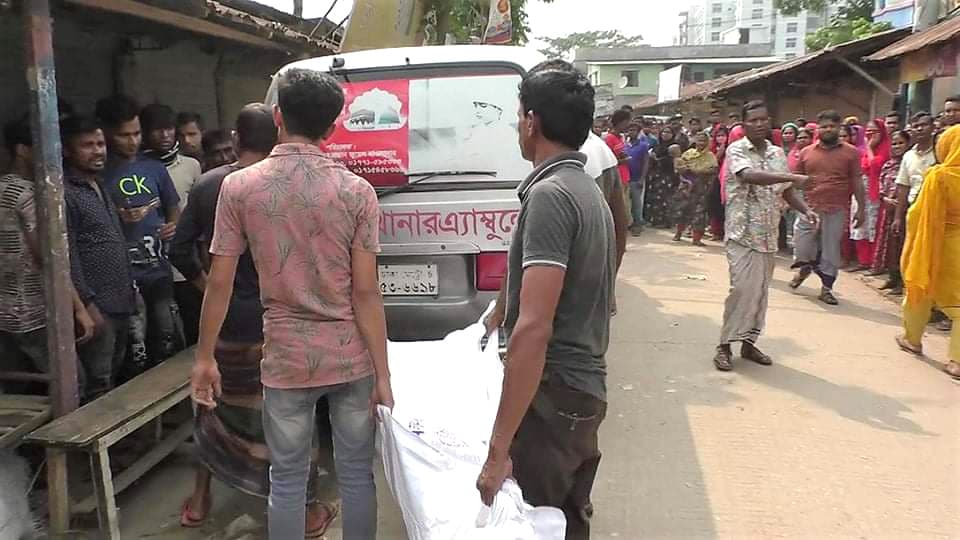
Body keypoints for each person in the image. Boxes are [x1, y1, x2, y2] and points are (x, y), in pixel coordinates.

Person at [190, 68, 392, 540]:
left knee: (286, 479)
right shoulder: (357, 192)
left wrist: (204, 359)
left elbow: (218, 283)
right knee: (358, 473)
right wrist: (382, 374)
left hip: (284, 360)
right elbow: (366, 292)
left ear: (278, 117)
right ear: (333, 127)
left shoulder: (238, 188)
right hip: (349, 357)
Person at [170, 103, 339, 535]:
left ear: (235, 138)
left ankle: (201, 498)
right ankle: (307, 511)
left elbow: (177, 249)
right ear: (280, 136)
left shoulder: (210, 185)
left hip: (229, 323)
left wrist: (207, 287)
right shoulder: (296, 186)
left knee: (212, 408)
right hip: (284, 321)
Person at [475, 60, 615, 539]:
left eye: (518, 116)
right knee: (566, 522)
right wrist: (499, 310)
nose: (517, 126)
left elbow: (534, 328)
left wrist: (497, 453)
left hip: (554, 397)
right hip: (580, 394)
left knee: (536, 521)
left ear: (532, 122)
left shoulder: (552, 196)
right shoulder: (585, 190)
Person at [713, 100, 815, 371]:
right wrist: (792, 176)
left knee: (759, 292)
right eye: (753, 120)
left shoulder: (776, 152)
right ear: (744, 124)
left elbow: (785, 190)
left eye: (763, 119)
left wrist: (805, 210)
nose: (759, 124)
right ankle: (724, 345)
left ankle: (749, 342)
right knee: (741, 289)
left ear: (769, 122)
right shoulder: (736, 150)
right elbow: (748, 175)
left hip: (768, 235)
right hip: (742, 233)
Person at [0, 115, 94, 385]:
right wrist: (78, 309)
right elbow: (47, 258)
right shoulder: (31, 194)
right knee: (74, 385)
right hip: (34, 313)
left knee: (20, 391)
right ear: (22, 150)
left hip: (5, 315)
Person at [96, 95, 184, 377]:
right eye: (124, 135)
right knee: (135, 347)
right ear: (107, 133)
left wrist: (173, 225)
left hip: (158, 270)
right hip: (122, 277)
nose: (132, 141)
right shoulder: (99, 174)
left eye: (136, 133)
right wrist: (117, 218)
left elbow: (173, 206)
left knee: (167, 336)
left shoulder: (154, 167)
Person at [62, 115, 137, 401]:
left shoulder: (99, 185)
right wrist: (86, 304)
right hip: (97, 306)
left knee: (117, 371)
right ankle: (92, 445)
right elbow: (68, 255)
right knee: (98, 380)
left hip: (120, 300)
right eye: (87, 145)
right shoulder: (65, 194)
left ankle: (117, 443)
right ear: (68, 151)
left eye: (100, 144)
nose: (97, 151)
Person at [896, 124, 960, 380]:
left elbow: (917, 213)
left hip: (937, 244)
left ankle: (912, 339)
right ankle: (956, 361)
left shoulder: (939, 176)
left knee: (919, 288)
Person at [140, 104, 204, 345]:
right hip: (151, 264)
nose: (165, 136)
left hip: (186, 261)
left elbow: (202, 216)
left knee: (192, 324)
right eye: (158, 130)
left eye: (169, 129)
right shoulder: (137, 170)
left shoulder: (192, 166)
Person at [791, 110, 866, 306]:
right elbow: (795, 178)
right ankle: (805, 268)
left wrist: (861, 208)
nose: (828, 129)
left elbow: (857, 180)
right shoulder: (807, 152)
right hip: (809, 207)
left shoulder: (851, 152)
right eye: (824, 126)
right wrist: (788, 199)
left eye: (833, 126)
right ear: (818, 129)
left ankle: (826, 289)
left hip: (836, 207)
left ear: (839, 127)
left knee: (831, 250)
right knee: (802, 244)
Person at [871, 129, 911, 294]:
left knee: (904, 246)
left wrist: (900, 203)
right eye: (894, 143)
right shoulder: (888, 164)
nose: (897, 146)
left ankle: (903, 281)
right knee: (891, 246)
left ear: (908, 144)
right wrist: (885, 199)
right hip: (888, 211)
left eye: (901, 143)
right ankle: (892, 277)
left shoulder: (909, 162)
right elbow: (881, 183)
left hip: (905, 210)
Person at [850, 118, 890, 271]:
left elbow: (875, 165)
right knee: (860, 224)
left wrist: (870, 147)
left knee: (873, 225)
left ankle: (874, 261)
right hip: (861, 191)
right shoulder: (864, 151)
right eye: (868, 131)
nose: (871, 134)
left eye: (875, 131)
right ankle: (863, 260)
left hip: (876, 191)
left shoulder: (885, 149)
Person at [671, 131, 718, 246]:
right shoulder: (688, 153)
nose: (701, 143)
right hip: (686, 187)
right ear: (695, 141)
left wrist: (700, 170)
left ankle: (696, 239)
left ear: (707, 142)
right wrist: (685, 170)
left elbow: (713, 170)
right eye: (699, 140)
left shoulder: (710, 156)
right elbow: (679, 168)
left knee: (699, 214)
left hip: (701, 187)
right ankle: (678, 233)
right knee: (682, 210)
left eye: (704, 140)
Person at [603, 109, 634, 228]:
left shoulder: (621, 137)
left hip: (625, 175)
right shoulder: (609, 139)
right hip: (616, 177)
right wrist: (622, 161)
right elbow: (608, 161)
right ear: (620, 122)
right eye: (626, 122)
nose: (628, 125)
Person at [644, 126, 679, 229]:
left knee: (665, 198)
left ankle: (665, 221)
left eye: (668, 132)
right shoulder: (657, 146)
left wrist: (658, 159)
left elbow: (674, 160)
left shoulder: (674, 146)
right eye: (663, 132)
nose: (665, 134)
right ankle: (654, 220)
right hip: (655, 175)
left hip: (667, 175)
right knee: (654, 198)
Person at [626, 122, 650, 235]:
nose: (632, 132)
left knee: (636, 203)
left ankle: (637, 225)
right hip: (625, 177)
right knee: (626, 203)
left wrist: (642, 178)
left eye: (634, 130)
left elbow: (646, 163)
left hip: (636, 178)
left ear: (638, 132)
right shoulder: (624, 144)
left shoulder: (643, 145)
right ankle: (629, 223)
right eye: (630, 130)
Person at [707, 125, 729, 241]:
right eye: (718, 136)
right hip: (715, 179)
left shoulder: (732, 149)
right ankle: (716, 231)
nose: (721, 138)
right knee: (714, 204)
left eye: (723, 136)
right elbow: (712, 163)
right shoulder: (712, 149)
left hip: (727, 180)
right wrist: (720, 152)